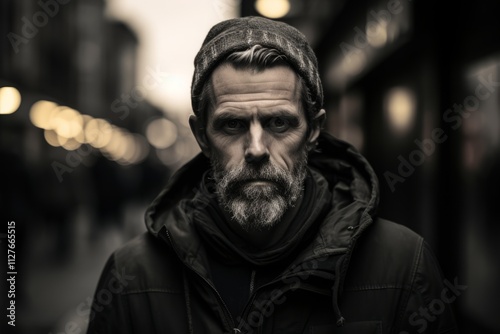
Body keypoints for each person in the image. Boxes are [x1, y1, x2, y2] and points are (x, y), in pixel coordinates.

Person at [87, 16, 458, 333]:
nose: (257, 149)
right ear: (201, 136)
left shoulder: (404, 267)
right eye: (231, 125)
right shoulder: (132, 277)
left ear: (313, 130)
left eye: (279, 123)